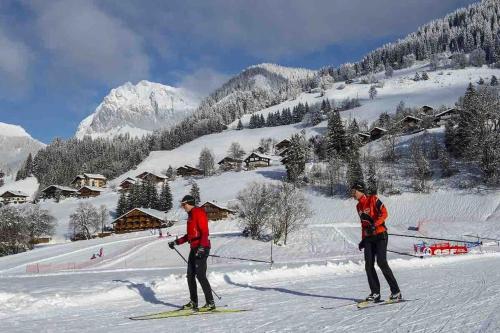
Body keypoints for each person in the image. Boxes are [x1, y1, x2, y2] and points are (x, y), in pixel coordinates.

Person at [351, 183, 402, 302]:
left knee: (381, 262)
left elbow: (384, 213)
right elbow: (363, 224)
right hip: (369, 237)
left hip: (380, 235)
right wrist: (363, 239)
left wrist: (375, 225)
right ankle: (375, 293)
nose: (352, 194)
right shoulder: (358, 206)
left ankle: (396, 292)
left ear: (360, 190)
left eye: (354, 191)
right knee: (368, 265)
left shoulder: (373, 199)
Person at [168, 195, 215, 311]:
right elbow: (190, 236)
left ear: (189, 203)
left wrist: (202, 247)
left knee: (200, 275)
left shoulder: (199, 213)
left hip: (201, 247)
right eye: (182, 205)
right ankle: (194, 302)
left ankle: (210, 303)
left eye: (184, 204)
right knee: (190, 276)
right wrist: (176, 242)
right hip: (194, 248)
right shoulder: (190, 216)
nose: (183, 207)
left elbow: (205, 232)